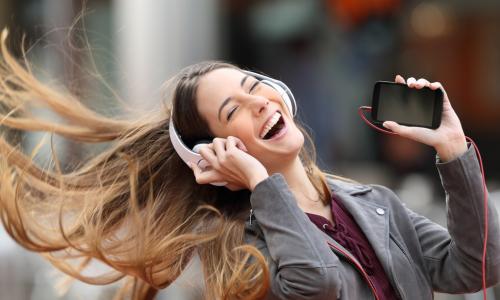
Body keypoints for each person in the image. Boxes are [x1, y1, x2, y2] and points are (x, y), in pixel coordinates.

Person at [0, 29, 499, 300]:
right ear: (213, 152)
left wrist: (454, 152)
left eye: (253, 86)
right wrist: (261, 182)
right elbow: (316, 285)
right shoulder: (237, 245)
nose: (258, 102)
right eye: (232, 111)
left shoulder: (376, 206)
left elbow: (477, 267)